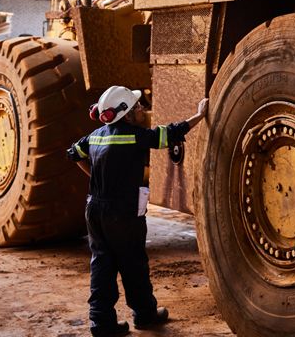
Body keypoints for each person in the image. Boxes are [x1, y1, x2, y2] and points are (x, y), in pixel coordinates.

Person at [67, 86, 208, 336]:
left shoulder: (96, 135)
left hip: (95, 209)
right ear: (127, 115)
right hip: (123, 213)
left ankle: (101, 323)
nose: (142, 108)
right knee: (133, 263)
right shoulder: (135, 136)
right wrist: (199, 115)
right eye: (137, 106)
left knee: (102, 263)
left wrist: (94, 175)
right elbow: (169, 134)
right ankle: (144, 314)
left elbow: (73, 153)